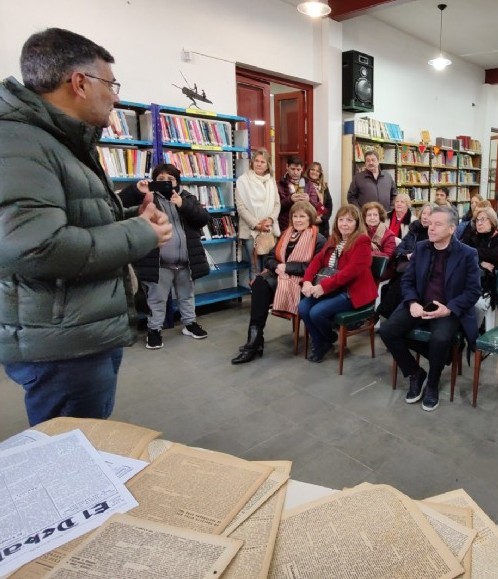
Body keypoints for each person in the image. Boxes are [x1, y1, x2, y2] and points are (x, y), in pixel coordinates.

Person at [0, 28, 172, 426]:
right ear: (79, 82)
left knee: (87, 439)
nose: (114, 95)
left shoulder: (58, 141)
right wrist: (142, 234)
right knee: (71, 453)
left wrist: (133, 219)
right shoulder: (20, 142)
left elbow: (76, 219)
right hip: (61, 343)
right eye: (110, 83)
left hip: (77, 330)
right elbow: (36, 246)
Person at [379, 206, 481, 412]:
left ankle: (432, 383)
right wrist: (412, 302)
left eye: (438, 224)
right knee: (387, 331)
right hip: (419, 303)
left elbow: (473, 291)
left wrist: (449, 309)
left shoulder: (467, 254)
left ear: (452, 228)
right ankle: (415, 373)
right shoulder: (422, 247)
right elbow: (407, 281)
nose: (431, 228)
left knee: (440, 339)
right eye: (430, 223)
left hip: (447, 307)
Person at [120, 164, 211, 349]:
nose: (165, 183)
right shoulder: (148, 199)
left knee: (187, 295)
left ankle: (189, 324)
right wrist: (138, 191)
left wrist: (183, 205)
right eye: (160, 180)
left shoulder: (187, 197)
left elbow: (203, 218)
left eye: (170, 180)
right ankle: (154, 330)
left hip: (186, 262)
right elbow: (121, 204)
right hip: (159, 263)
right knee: (156, 299)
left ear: (177, 182)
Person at [231, 201, 326, 364]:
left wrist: (286, 267)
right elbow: (269, 258)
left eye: (302, 216)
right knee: (260, 282)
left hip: (302, 282)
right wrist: (279, 267)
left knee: (261, 287)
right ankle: (254, 339)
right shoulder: (287, 234)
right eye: (294, 216)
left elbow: (313, 267)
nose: (298, 220)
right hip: (280, 276)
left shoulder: (319, 239)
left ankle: (254, 344)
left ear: (310, 218)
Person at [300, 205, 377, 363]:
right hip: (334, 288)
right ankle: (322, 342)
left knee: (316, 312)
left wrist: (322, 287)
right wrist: (307, 281)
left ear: (357, 223)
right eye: (341, 219)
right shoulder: (334, 238)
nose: (344, 223)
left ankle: (326, 339)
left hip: (352, 291)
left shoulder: (363, 240)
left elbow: (350, 272)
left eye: (349, 220)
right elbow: (317, 261)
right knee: (303, 307)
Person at [376, 203, 433, 319]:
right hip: (406, 266)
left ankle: (380, 315)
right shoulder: (414, 229)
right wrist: (407, 255)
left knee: (400, 284)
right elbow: (398, 249)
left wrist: (416, 256)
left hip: (422, 271)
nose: (425, 217)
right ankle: (385, 315)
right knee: (392, 285)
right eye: (424, 213)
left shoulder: (433, 233)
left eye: (429, 214)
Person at [235, 148, 280, 280]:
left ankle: (267, 299)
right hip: (251, 231)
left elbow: (277, 204)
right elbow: (241, 207)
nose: (259, 164)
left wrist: (270, 220)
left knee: (268, 267)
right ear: (252, 162)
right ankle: (256, 299)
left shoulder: (271, 181)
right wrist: (256, 224)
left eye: (262, 162)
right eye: (257, 161)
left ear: (267, 165)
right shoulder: (243, 181)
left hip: (268, 230)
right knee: (254, 268)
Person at [461, 206, 498, 329]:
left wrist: (474, 255)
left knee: (477, 304)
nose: (479, 223)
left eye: (483, 219)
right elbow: (461, 252)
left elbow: (497, 256)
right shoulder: (472, 235)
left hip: (489, 283)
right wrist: (481, 262)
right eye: (477, 220)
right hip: (467, 279)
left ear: (492, 221)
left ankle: (473, 332)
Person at [277, 155, 324, 232]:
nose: (295, 172)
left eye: (298, 169)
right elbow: (276, 207)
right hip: (285, 226)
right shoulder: (279, 184)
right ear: (287, 167)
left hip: (305, 227)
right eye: (292, 169)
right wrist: (290, 199)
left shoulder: (308, 183)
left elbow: (316, 206)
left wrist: (308, 200)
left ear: (302, 169)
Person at [306, 161, 333, 238]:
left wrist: (323, 219)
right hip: (308, 223)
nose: (315, 172)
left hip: (322, 225)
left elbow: (329, 206)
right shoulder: (304, 184)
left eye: (317, 171)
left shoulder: (324, 187)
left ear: (320, 174)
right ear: (308, 171)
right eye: (312, 170)